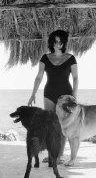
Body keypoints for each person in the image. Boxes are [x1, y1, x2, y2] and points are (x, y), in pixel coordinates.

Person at [27, 30, 78, 164]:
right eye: (55, 42)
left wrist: (74, 96)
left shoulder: (71, 58)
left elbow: (76, 77)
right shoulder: (45, 58)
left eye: (61, 42)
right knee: (50, 125)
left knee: (63, 126)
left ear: (64, 42)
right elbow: (39, 77)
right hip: (49, 94)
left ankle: (60, 156)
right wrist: (33, 94)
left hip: (66, 95)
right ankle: (51, 155)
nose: (58, 44)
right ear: (52, 43)